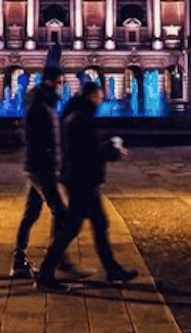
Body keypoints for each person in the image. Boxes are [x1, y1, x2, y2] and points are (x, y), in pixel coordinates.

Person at [59, 81, 139, 284]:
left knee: (96, 224)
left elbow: (86, 148)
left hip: (80, 178)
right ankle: (47, 269)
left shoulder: (75, 115)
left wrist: (107, 146)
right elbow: (88, 152)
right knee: (76, 227)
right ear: (92, 96)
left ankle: (113, 270)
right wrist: (113, 151)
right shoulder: (82, 118)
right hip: (83, 179)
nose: (102, 99)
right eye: (99, 96)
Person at [12, 64, 74, 292]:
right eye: (60, 82)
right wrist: (52, 163)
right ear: (50, 82)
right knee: (62, 214)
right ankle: (50, 269)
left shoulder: (43, 103)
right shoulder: (40, 106)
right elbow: (40, 140)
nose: (62, 86)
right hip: (41, 168)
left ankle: (19, 260)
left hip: (37, 167)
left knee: (31, 213)